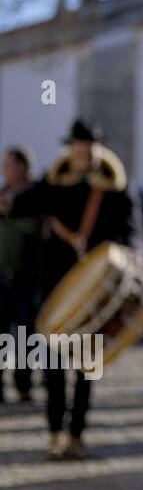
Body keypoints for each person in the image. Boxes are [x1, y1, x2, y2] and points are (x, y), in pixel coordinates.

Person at [10, 119, 142, 459]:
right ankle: (55, 433)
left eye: (87, 148)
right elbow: (23, 203)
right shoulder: (54, 182)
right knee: (54, 366)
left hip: (97, 292)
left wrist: (132, 253)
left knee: (87, 367)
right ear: (71, 150)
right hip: (58, 288)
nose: (82, 154)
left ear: (98, 149)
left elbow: (133, 230)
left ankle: (77, 435)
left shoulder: (115, 187)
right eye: (77, 148)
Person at [0, 146, 38, 404]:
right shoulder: (2, 193)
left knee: (26, 334)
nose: (5, 170)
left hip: (27, 276)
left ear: (22, 167)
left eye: (9, 165)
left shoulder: (35, 196)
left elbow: (35, 227)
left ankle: (24, 383)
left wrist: (9, 213)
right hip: (1, 276)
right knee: (1, 334)